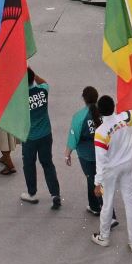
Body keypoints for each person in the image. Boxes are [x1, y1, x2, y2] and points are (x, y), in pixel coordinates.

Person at [91, 94, 132, 257]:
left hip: (110, 171)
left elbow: (101, 160)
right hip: (128, 165)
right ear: (114, 106)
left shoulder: (100, 132)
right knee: (131, 201)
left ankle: (104, 237)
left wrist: (97, 182)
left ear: (99, 111)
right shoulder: (126, 117)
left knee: (107, 203)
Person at [18, 68, 61, 210]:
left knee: (29, 165)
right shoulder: (43, 90)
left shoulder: (20, 98)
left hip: (29, 138)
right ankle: (55, 194)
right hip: (46, 135)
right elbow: (44, 82)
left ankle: (32, 193)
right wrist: (31, 73)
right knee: (48, 164)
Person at [67, 86, 103, 216]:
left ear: (83, 99)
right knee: (101, 179)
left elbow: (73, 137)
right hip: (103, 153)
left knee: (91, 179)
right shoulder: (103, 113)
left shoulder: (78, 117)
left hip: (86, 156)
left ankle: (96, 205)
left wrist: (68, 154)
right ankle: (103, 203)